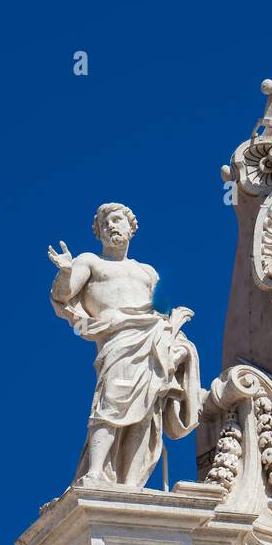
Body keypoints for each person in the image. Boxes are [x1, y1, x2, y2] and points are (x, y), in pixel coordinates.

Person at [48, 203, 200, 488]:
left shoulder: (148, 272)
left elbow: (162, 313)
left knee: (147, 412)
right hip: (117, 338)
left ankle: (132, 483)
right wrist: (66, 272)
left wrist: (177, 341)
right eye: (105, 224)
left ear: (131, 228)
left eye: (117, 221)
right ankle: (94, 472)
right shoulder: (91, 261)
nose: (111, 227)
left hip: (153, 338)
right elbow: (62, 295)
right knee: (110, 402)